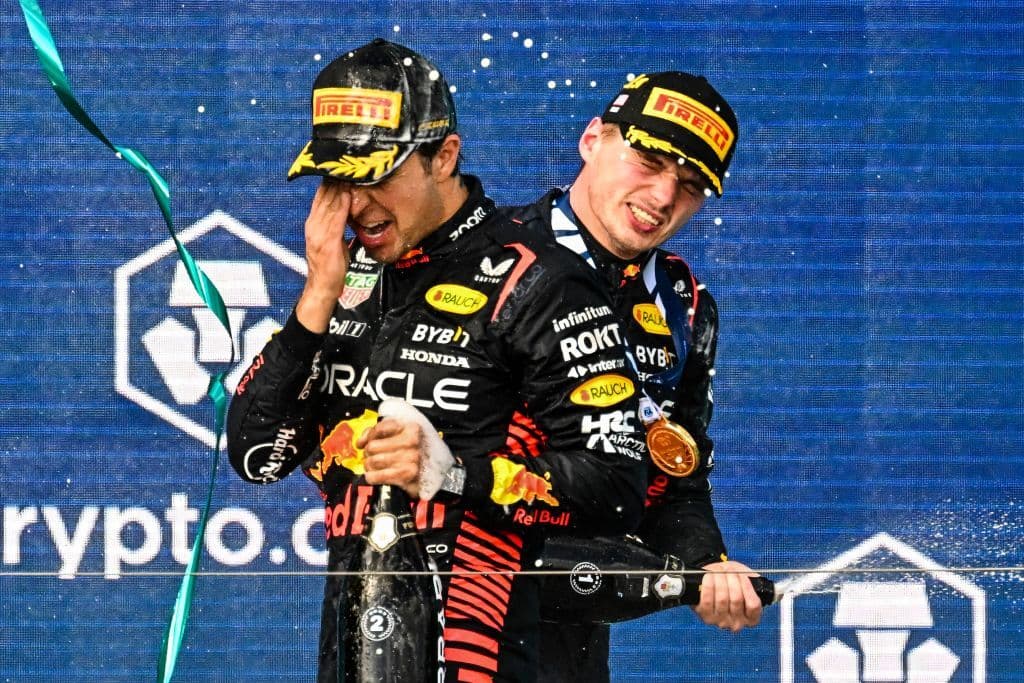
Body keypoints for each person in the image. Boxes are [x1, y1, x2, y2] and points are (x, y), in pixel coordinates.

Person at [226, 39, 647, 683]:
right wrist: (316, 297)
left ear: (444, 156)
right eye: (338, 180)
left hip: (497, 654)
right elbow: (258, 457)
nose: (356, 204)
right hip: (359, 649)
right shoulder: (344, 277)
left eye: (376, 177)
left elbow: (616, 489)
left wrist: (452, 474)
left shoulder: (542, 282)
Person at [509, 71, 763, 681]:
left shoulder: (683, 304)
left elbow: (675, 475)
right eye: (648, 161)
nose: (664, 195)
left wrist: (706, 563)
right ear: (592, 139)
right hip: (439, 607)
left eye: (692, 185)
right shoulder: (481, 254)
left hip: (568, 627)